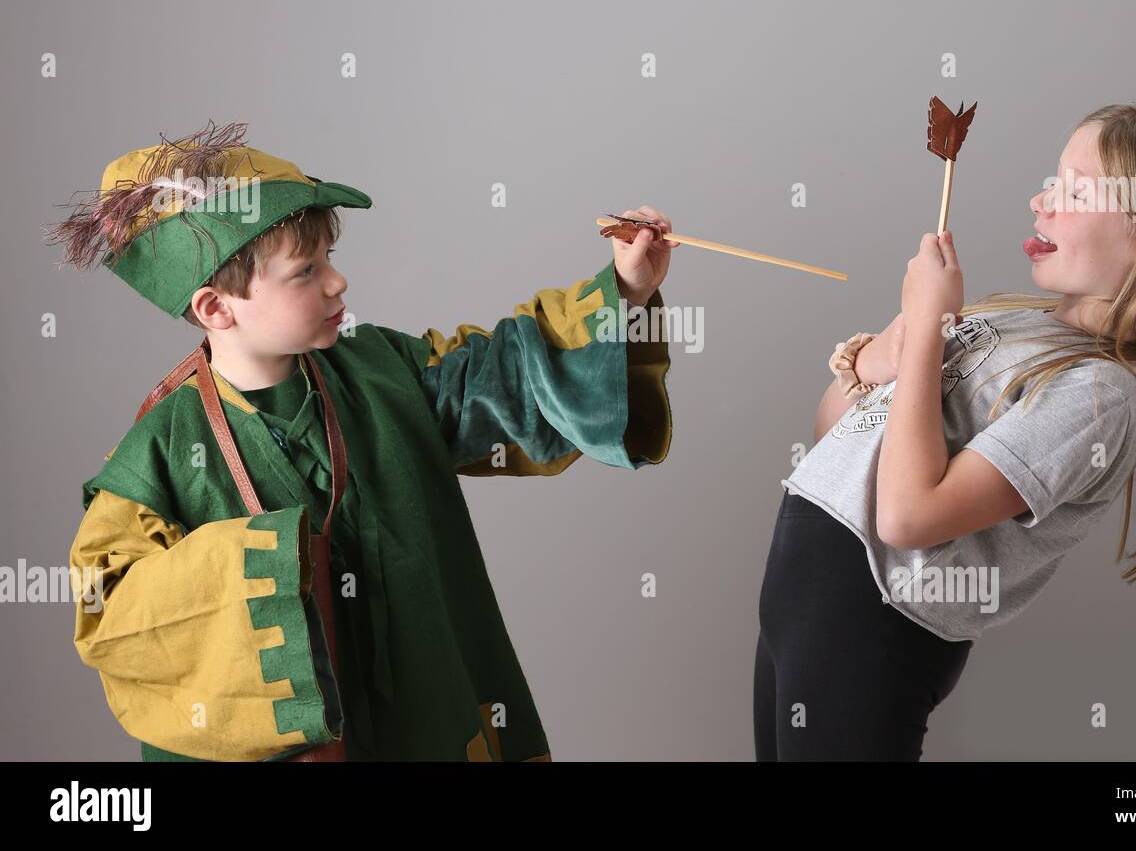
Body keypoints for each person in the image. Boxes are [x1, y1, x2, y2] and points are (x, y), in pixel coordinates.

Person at [50, 121, 676, 761]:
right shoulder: (160, 450)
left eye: (330, 260)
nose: (336, 282)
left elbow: (508, 377)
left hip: (426, 714)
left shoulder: (382, 369)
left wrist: (623, 292)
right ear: (216, 308)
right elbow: (117, 611)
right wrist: (260, 569)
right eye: (306, 271)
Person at [755, 102, 1136, 761]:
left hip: (872, 613)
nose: (1040, 200)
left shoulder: (1102, 395)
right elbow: (838, 439)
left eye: (1075, 190)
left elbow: (908, 517)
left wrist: (930, 335)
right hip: (805, 587)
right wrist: (884, 357)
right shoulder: (1018, 322)